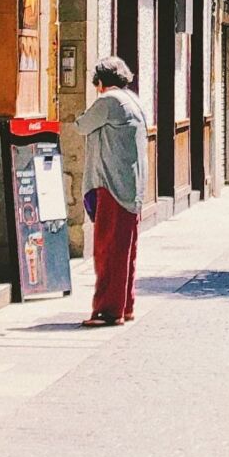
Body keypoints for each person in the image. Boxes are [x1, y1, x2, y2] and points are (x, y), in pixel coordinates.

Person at [75, 56, 149, 327]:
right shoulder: (134, 101)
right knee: (126, 251)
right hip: (133, 186)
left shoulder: (109, 101)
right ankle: (125, 305)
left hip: (112, 185)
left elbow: (82, 125)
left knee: (108, 250)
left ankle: (108, 311)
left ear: (101, 81)